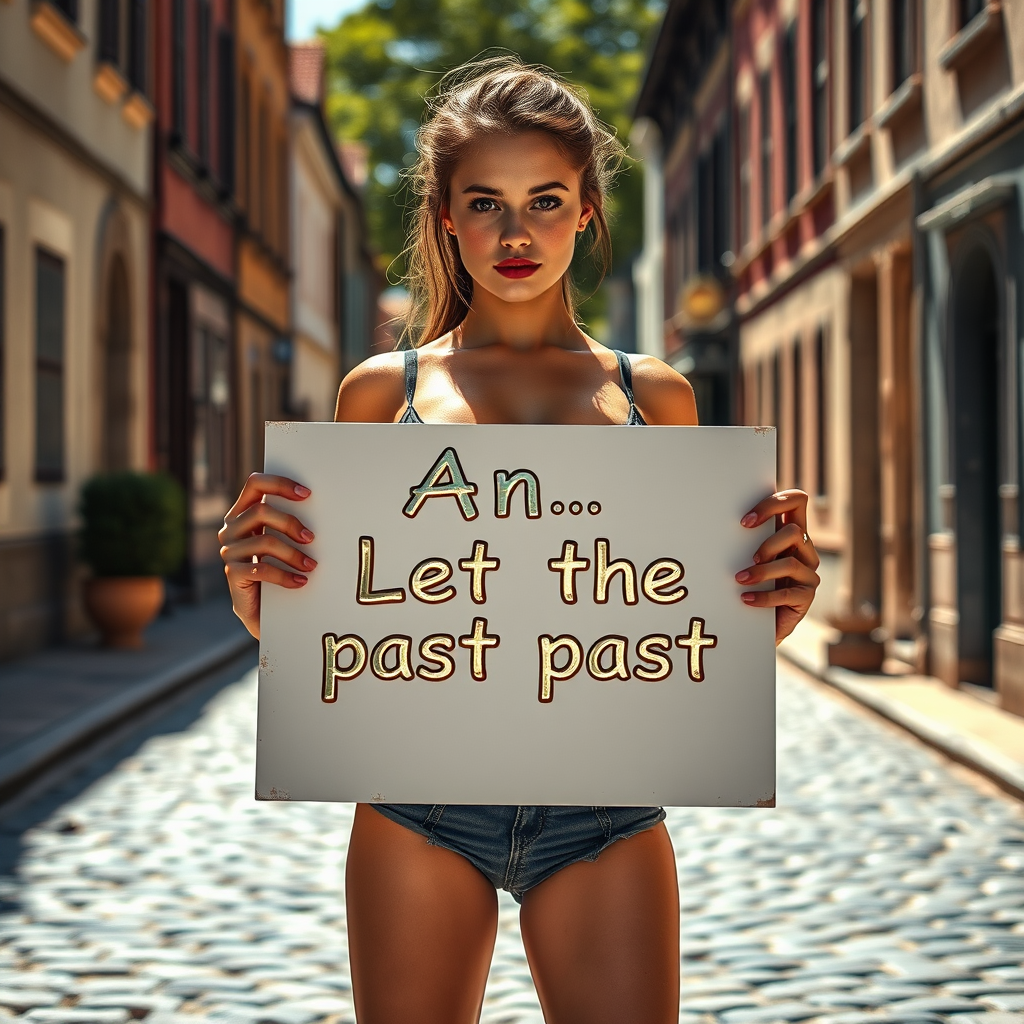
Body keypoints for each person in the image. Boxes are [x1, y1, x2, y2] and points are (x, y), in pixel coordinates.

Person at [219, 56, 820, 1024]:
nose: (514, 233)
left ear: (586, 210)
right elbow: (355, 644)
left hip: (606, 814)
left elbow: (676, 633)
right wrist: (270, 611)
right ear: (446, 217)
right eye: (484, 203)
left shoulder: (654, 393)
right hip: (415, 809)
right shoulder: (381, 393)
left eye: (544, 200)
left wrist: (766, 612)